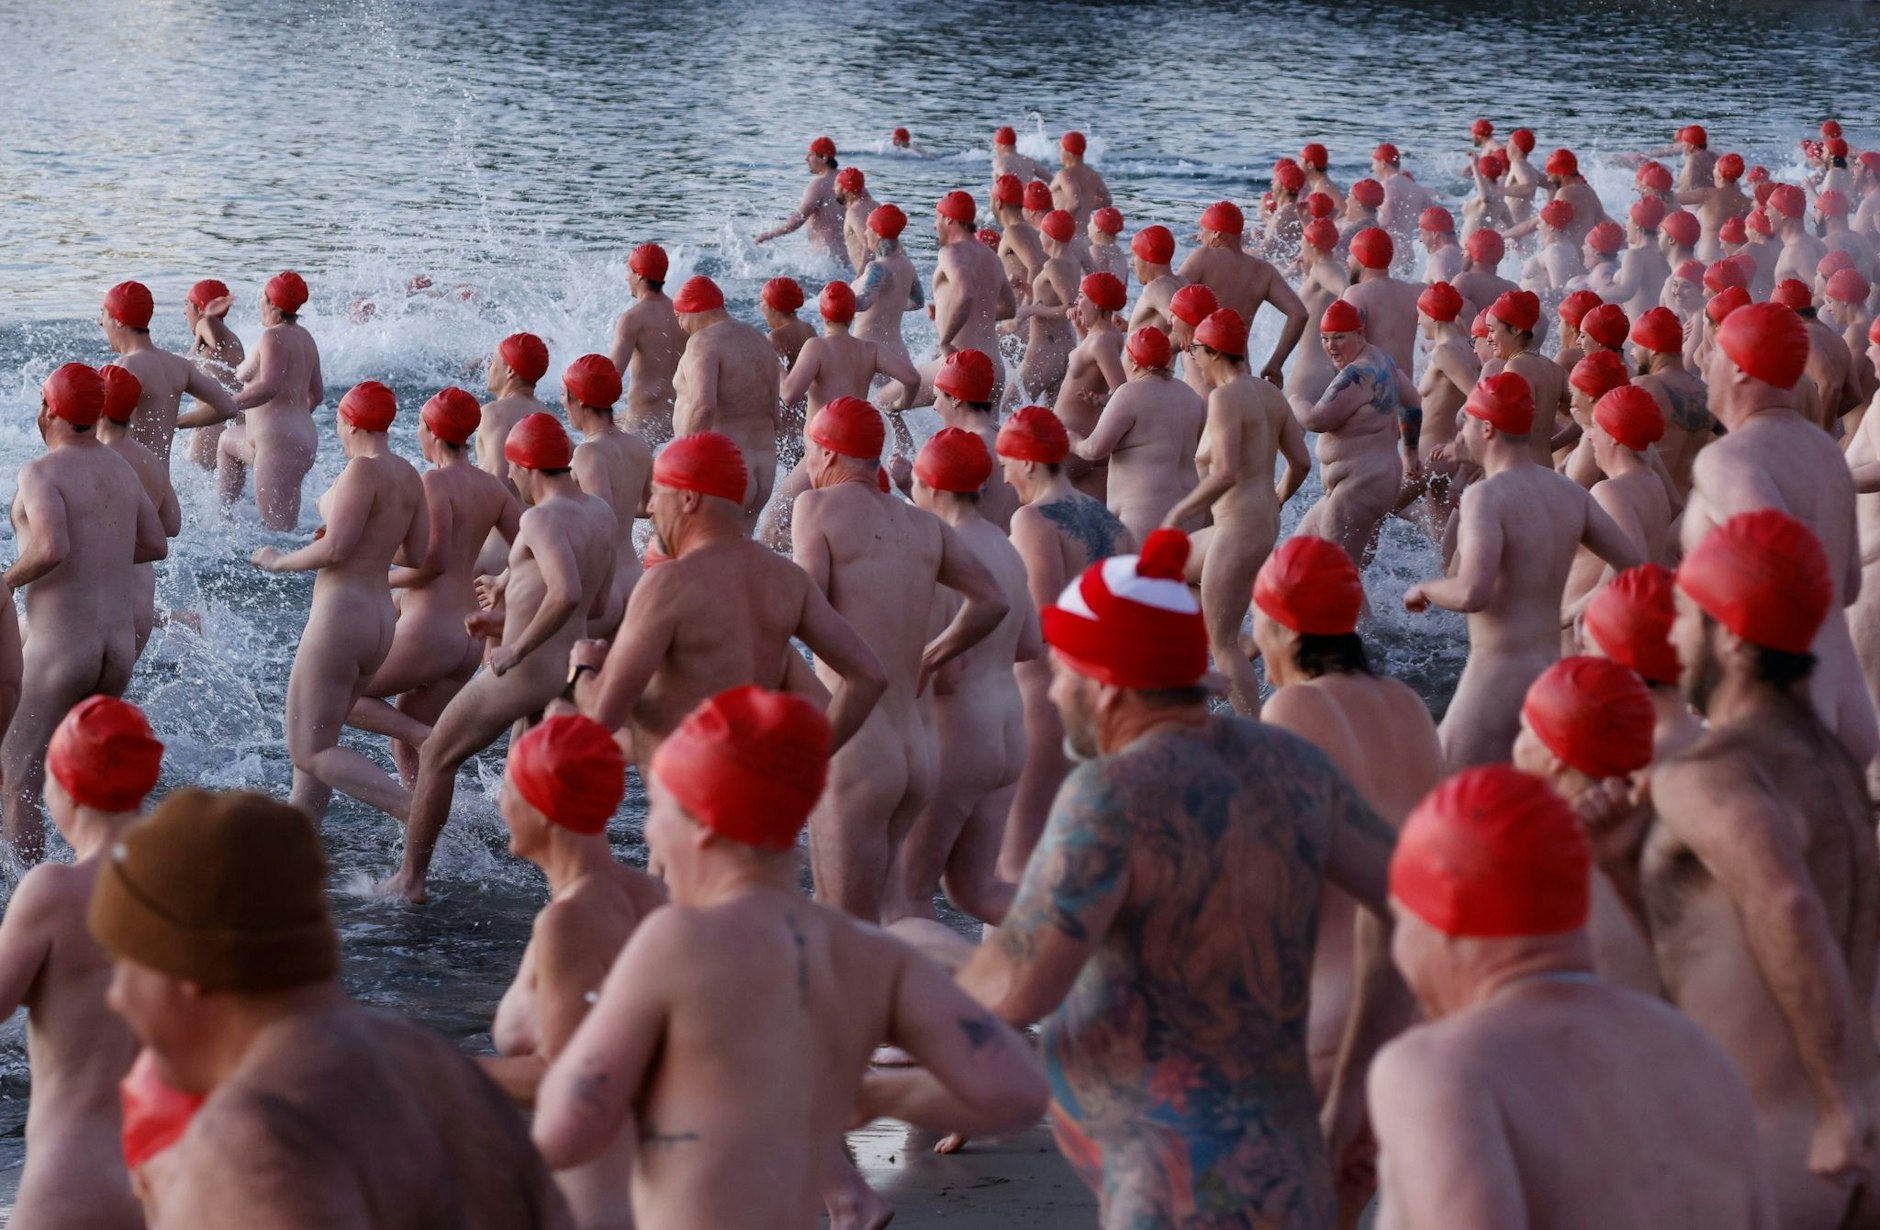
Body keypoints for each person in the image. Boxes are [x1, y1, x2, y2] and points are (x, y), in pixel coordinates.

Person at [958, 530, 1407, 1229]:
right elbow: (1419, 902)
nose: (1051, 691)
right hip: (1291, 1181)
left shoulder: (1111, 793)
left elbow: (1016, 989)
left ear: (1105, 686)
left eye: (1062, 670)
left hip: (1180, 1201)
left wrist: (885, 1012)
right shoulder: (1293, 762)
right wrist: (1353, 1088)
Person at [534, 686, 1047, 1230]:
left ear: (702, 825)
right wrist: (871, 1095)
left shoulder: (673, 944)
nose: (647, 830)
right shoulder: (868, 950)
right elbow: (1016, 1092)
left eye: (658, 811)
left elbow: (568, 1130)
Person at [89, 787, 572, 1226]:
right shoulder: (443, 1073)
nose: (115, 996)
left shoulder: (248, 1145)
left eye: (125, 963)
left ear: (186, 970)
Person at [1593, 510, 1880, 1230]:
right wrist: (1626, 870)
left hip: (1765, 1155)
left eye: (1687, 617)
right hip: (1831, 1142)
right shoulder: (1828, 763)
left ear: (1730, 637)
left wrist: (1841, 1107)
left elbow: (1785, 904)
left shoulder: (1711, 776)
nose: (1675, 638)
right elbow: (1723, 943)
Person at [1370, 764, 1774, 1230]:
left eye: (1402, 919)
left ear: (1444, 924)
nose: (1400, 952)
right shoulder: (1698, 1052)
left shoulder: (1439, 1072)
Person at [1252, 537, 1443, 1192]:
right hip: (1416, 1015)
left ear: (1279, 625)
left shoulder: (1293, 708)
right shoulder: (1407, 705)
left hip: (1331, 1021)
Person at [790, 398, 1007, 921]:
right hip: (919, 752)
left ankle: (964, 996)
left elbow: (802, 608)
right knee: (895, 919)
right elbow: (992, 600)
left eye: (810, 454)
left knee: (845, 931)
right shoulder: (925, 525)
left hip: (858, 747)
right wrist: (931, 655)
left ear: (826, 453)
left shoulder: (814, 509)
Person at [387, 414, 616, 903]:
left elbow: (567, 591)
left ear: (525, 466)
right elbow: (594, 606)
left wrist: (516, 645)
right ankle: (570, 883)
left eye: (512, 471)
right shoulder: (599, 512)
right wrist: (505, 609)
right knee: (532, 782)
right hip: (567, 670)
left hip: (528, 670)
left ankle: (410, 880)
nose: (510, 480)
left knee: (436, 755)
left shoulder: (539, 517)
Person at [572, 430, 887, 768]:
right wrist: (813, 762)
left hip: (694, 806)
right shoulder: (788, 578)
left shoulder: (668, 584)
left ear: (688, 499)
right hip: (762, 801)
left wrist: (582, 670)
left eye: (657, 494)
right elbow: (869, 677)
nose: (649, 507)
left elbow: (600, 719)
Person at [483, 715, 665, 1228]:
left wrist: (429, 1066)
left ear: (543, 808)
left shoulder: (568, 923)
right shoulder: (650, 894)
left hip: (596, 1202)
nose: (500, 803)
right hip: (651, 1187)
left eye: (510, 789)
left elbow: (567, 1078)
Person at [1405, 372, 1641, 768]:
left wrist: (1426, 588)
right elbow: (1634, 568)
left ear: (1486, 428)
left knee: (1441, 785)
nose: (1459, 434)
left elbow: (1471, 594)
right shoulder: (1568, 492)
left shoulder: (1486, 496)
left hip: (1498, 680)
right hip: (1555, 677)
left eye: (1465, 424)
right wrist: (1581, 612)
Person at [1684, 301, 1879, 771]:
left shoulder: (1728, 459)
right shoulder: (1827, 451)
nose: (1705, 362)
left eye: (1715, 353)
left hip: (1778, 706)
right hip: (1845, 697)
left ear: (1742, 371)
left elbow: (1778, 575)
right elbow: (1847, 584)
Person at [0, 697, 162, 1229]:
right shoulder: (189, 890)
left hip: (74, 1179)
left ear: (63, 789)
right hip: (174, 1178)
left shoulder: (54, 892)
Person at [3, 364, 167, 863]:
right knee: (91, 776)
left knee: (16, 777)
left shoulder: (41, 471)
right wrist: (102, 556)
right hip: (115, 652)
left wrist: (5, 581)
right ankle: (106, 882)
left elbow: (52, 547)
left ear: (49, 410)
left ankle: (33, 902)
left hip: (61, 653)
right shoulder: (120, 468)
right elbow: (155, 542)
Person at [886, 429, 1039, 940]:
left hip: (961, 739)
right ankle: (1102, 950)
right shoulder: (1005, 545)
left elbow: (944, 674)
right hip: (1009, 733)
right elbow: (1031, 646)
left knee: (907, 897)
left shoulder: (943, 557)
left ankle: (929, 1014)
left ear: (929, 488)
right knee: (975, 889)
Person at [254, 381, 427, 824]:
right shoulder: (408, 474)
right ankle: (299, 842)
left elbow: (335, 551)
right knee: (317, 743)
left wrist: (280, 560)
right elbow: (418, 555)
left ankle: (414, 810)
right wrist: (366, 539)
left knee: (308, 750)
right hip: (378, 619)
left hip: (341, 619)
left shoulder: (362, 471)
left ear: (349, 423)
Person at [347, 388, 519, 784]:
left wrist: (372, 570)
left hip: (431, 628)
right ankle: (438, 830)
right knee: (406, 748)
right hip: (469, 636)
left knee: (340, 694)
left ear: (432, 433)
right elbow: (534, 541)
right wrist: (506, 580)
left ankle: (428, 739)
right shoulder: (491, 487)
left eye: (420, 427)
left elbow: (432, 562)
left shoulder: (434, 483)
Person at [998, 404, 1132, 882]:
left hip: (1051, 700)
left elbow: (1042, 625)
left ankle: (1014, 955)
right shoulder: (1115, 525)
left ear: (1029, 463)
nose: (1006, 477)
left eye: (1007, 464)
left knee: (1018, 861)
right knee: (1087, 855)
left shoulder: (1033, 521)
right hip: (1111, 704)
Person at [1148, 309, 1304, 715]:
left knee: (1224, 646)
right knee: (1174, 569)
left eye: (1196, 350)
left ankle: (1257, 733)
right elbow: (1301, 462)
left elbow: (1226, 472)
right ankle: (1228, 652)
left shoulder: (1223, 398)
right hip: (1258, 523)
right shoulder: (1271, 394)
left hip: (1237, 530)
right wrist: (1277, 498)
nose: (1192, 357)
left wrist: (1177, 513)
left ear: (1215, 352)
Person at [1512, 657, 1665, 994]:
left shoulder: (1536, 859)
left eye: (1525, 728)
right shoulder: (1659, 834)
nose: (1517, 739)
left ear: (1555, 757)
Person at [1295, 300, 1410, 567]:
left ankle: (1377, 611)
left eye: (1339, 338)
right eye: (1324, 339)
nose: (1331, 346)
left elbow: (1315, 420)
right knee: (1298, 556)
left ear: (1359, 334)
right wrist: (1411, 451)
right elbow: (1413, 401)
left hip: (1358, 488)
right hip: (1365, 484)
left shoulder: (1358, 373)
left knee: (1337, 575)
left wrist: (1294, 401)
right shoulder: (1382, 359)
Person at [1071, 325, 1207, 540]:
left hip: (1146, 516)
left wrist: (1072, 441)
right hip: (1190, 514)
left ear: (1134, 363)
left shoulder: (1129, 393)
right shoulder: (1191, 397)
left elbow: (1094, 450)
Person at [671, 274, 784, 525]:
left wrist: (680, 463)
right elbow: (775, 416)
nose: (680, 325)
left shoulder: (703, 342)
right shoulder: (759, 340)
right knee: (740, 549)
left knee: (693, 552)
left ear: (693, 309)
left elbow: (703, 407)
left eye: (679, 316)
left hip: (724, 469)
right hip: (763, 470)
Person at [217, 272, 322, 530]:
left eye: (262, 299)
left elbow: (269, 387)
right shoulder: (305, 337)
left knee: (279, 535)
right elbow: (316, 394)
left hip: (279, 443)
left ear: (272, 304)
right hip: (292, 438)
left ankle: (297, 562)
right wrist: (293, 423)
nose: (259, 305)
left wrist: (227, 404)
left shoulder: (272, 337)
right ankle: (225, 520)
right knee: (227, 443)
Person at [1562, 386, 1672, 631]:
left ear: (1613, 436)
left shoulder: (1611, 491)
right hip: (1622, 626)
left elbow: (1631, 567)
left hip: (1593, 631)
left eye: (1596, 429)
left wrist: (1568, 613)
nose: (1590, 437)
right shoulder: (1651, 481)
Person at [97, 281, 239, 470]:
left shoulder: (124, 368)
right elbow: (228, 408)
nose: (100, 322)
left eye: (103, 313)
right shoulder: (178, 365)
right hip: (163, 488)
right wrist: (172, 422)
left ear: (118, 319)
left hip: (132, 489)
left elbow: (102, 440)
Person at [97, 364, 182, 655]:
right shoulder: (150, 459)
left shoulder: (94, 462)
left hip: (102, 600)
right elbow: (172, 525)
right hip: (142, 599)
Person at [563, 355, 650, 637]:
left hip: (605, 587)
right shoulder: (637, 446)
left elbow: (601, 526)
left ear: (582, 402)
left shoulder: (588, 453)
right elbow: (648, 506)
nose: (563, 404)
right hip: (635, 579)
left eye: (566, 396)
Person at [1179, 201, 1309, 386]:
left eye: (1203, 230)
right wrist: (1275, 364)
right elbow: (1300, 314)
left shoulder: (1204, 257)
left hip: (1203, 362)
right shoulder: (1264, 271)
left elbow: (1172, 292)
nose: (1200, 237)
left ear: (1216, 232)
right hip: (1240, 368)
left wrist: (1181, 325)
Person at [924, 191, 1018, 406]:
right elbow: (1010, 309)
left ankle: (910, 443)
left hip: (963, 365)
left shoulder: (950, 252)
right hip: (995, 368)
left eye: (936, 218)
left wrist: (945, 340)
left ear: (948, 219)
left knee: (887, 402)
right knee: (985, 433)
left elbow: (965, 293)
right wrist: (953, 314)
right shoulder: (992, 257)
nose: (934, 225)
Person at [1629, 305, 1711, 498]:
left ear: (1652, 349)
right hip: (1691, 506)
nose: (1633, 353)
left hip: (1654, 502)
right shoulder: (1707, 392)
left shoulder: (1642, 387)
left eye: (1636, 346)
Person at [608, 243, 686, 441]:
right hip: (679, 427)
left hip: (643, 430)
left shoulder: (633, 318)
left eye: (629, 271)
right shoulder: (683, 315)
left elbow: (610, 378)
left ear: (640, 275)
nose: (627, 278)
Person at [850, 203, 924, 408]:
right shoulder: (907, 265)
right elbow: (917, 302)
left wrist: (835, 298)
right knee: (894, 413)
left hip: (867, 350)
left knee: (856, 408)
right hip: (897, 350)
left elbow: (864, 303)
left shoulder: (877, 268)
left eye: (868, 228)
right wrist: (892, 304)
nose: (864, 233)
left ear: (877, 233)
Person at [1482, 289, 1567, 467]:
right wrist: (1549, 446)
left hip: (1521, 469)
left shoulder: (1515, 367)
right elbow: (1589, 414)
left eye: (1491, 330)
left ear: (1516, 329)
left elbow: (1510, 430)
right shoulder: (1554, 369)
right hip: (1545, 467)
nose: (1488, 339)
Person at [1052, 270, 1128, 465]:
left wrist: (1105, 399)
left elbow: (1124, 393)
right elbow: (1093, 366)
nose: (1076, 302)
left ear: (1097, 302)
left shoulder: (1101, 341)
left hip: (1072, 443)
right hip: (1075, 437)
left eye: (1080, 296)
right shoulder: (1105, 335)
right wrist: (1080, 330)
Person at [1412, 281, 1479, 498]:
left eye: (1420, 314)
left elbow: (1479, 399)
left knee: (1375, 514)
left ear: (1432, 315)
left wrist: (1461, 442)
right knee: (1439, 532)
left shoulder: (1445, 353)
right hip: (1445, 453)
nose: (1419, 321)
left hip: (1431, 455)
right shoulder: (1470, 346)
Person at [1012, 209, 1082, 404]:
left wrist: (1031, 310)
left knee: (1008, 408)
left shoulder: (1053, 265)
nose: (1039, 236)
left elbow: (1070, 307)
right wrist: (1025, 288)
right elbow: (1051, 298)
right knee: (1052, 419)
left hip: (1043, 354)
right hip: (1063, 351)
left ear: (1051, 235)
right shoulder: (1072, 262)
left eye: (1041, 232)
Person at [754, 135, 849, 270]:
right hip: (850, 261)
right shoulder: (849, 182)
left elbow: (797, 220)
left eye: (810, 155)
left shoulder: (819, 184)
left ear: (824, 157)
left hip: (828, 265)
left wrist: (769, 235)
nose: (806, 159)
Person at [182, 278, 245, 472]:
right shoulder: (231, 339)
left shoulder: (206, 326)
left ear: (200, 308)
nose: (185, 312)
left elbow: (214, 339)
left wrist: (207, 317)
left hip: (215, 423)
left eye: (187, 304)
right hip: (235, 422)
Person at [1342, 228, 1425, 375]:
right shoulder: (1416, 292)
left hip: (1373, 393)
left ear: (1362, 258)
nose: (1347, 260)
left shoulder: (1356, 294)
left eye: (1351, 254)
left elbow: (1344, 351)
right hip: (1406, 393)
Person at [1124, 223, 1185, 335]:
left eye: (1135, 255)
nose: (1132, 262)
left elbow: (1183, 324)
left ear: (1148, 258)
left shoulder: (1156, 287)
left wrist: (1164, 349)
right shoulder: (1182, 282)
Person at [1050, 130, 1111, 225]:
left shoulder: (1065, 174)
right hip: (1084, 235)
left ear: (1068, 152)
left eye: (1061, 148)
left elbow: (1075, 202)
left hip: (1065, 235)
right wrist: (1087, 206)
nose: (1059, 152)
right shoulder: (1093, 175)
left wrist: (1057, 223)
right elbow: (1107, 200)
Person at [759, 276, 817, 371]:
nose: (760, 305)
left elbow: (770, 375)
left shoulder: (775, 337)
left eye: (762, 301)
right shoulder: (809, 328)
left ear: (773, 307)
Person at [834, 166, 880, 275]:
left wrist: (859, 280)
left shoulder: (854, 212)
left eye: (836, 185)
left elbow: (870, 246)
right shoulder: (875, 205)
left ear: (845, 189)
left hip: (872, 277)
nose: (833, 188)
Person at [1087, 206, 1128, 282]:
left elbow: (1098, 282)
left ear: (1097, 228)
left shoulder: (1096, 249)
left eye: (1091, 222)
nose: (1088, 225)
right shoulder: (1119, 252)